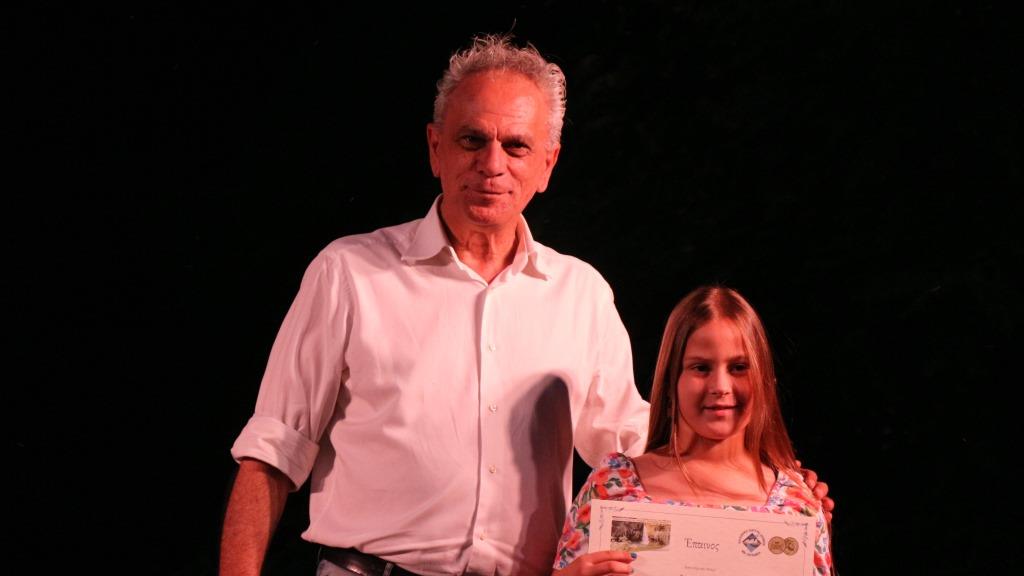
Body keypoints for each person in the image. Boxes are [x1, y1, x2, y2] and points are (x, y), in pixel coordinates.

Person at [220, 35, 832, 576]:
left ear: (547, 164)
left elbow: (640, 448)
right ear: (435, 148)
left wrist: (766, 491)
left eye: (516, 146)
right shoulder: (348, 274)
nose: (492, 165)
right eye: (472, 140)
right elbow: (273, 454)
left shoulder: (581, 294)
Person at [553, 286, 833, 575]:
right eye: (701, 368)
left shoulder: (796, 507)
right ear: (671, 380)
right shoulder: (612, 488)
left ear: (763, 380)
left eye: (738, 367)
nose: (720, 386)